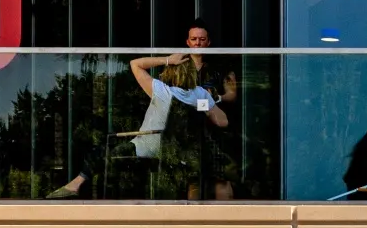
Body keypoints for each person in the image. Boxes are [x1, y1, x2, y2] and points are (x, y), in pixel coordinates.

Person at [47, 19, 231, 198]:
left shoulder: (162, 91)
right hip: (180, 153)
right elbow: (223, 122)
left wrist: (167, 60)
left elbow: (135, 64)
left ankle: (76, 184)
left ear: (172, 72)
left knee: (103, 152)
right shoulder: (200, 94)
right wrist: (203, 106)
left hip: (149, 147)